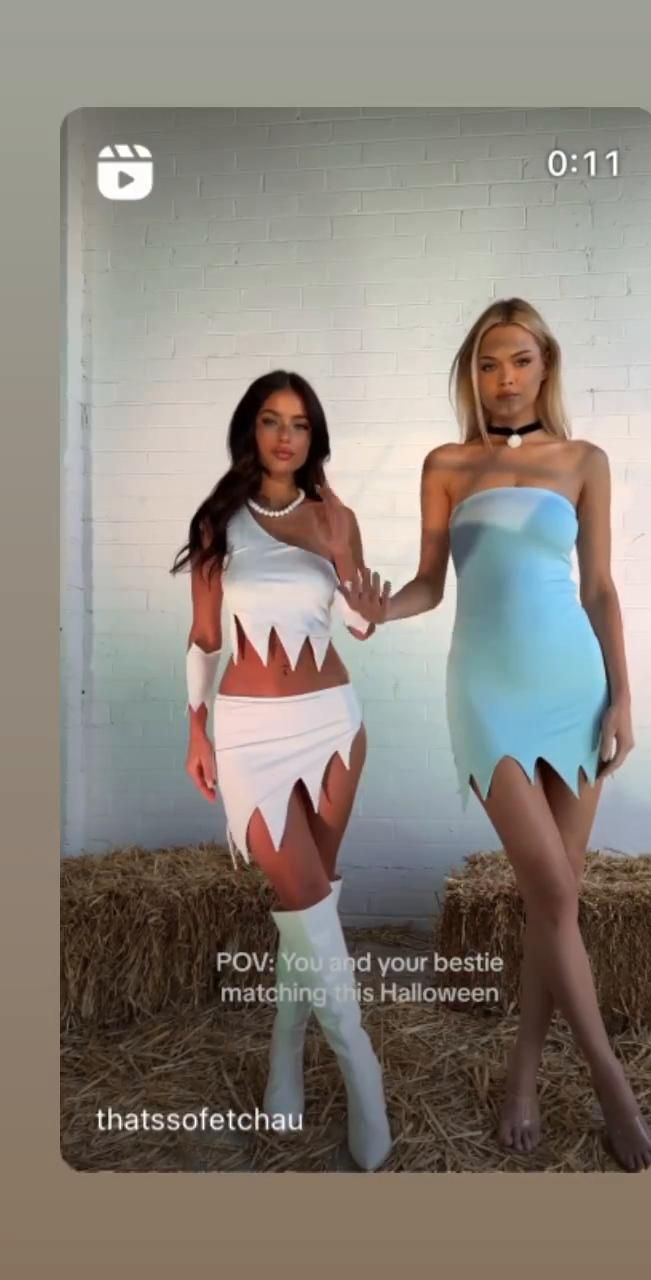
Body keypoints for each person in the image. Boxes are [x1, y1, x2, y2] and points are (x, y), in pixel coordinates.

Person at [339, 297, 651, 1172]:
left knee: (554, 900)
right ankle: (612, 1086)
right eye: (487, 363)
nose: (504, 378)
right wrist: (379, 612)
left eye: (519, 360)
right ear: (471, 375)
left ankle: (522, 1073)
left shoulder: (585, 461)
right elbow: (429, 584)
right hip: (486, 694)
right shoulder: (446, 465)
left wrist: (623, 697)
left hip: (574, 686)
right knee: (553, 891)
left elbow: (599, 588)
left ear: (545, 366)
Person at [170, 370, 392, 1172]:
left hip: (333, 726)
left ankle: (284, 1053)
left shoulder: (337, 517)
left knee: (311, 906)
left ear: (313, 437)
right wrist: (196, 729)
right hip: (250, 738)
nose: (286, 436)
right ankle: (363, 1072)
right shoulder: (218, 522)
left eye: (299, 424)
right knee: (304, 899)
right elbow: (205, 637)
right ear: (251, 430)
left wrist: (350, 570)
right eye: (272, 421)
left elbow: (360, 624)